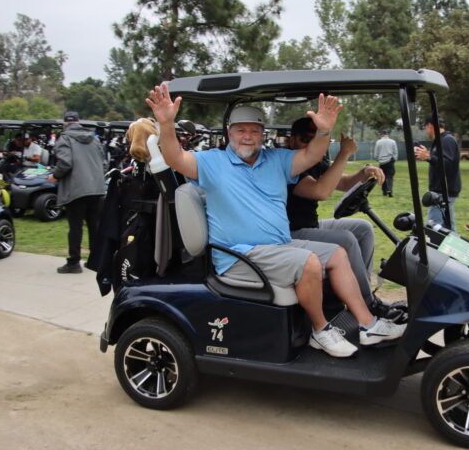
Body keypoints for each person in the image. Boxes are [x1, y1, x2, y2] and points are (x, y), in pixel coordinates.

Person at [147, 83, 405, 358]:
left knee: (338, 254)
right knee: (309, 263)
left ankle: (368, 325)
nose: (247, 137)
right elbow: (174, 157)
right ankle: (321, 329)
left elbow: (311, 155)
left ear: (262, 135)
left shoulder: (276, 160)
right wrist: (166, 123)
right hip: (240, 255)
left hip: (278, 246)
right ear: (229, 133)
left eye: (254, 131)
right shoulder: (211, 162)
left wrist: (324, 130)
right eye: (241, 130)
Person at [286, 117, 405, 321]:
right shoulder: (290, 164)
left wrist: (364, 173)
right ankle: (368, 305)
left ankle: (360, 291)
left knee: (362, 228)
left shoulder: (315, 160)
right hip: (290, 232)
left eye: (319, 140)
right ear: (291, 140)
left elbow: (341, 182)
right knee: (346, 239)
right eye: (307, 139)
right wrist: (343, 154)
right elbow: (320, 191)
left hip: (309, 225)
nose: (313, 145)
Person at [47, 111, 106, 273]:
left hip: (76, 189)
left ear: (65, 124)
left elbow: (65, 163)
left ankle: (74, 262)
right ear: (79, 122)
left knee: (75, 227)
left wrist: (54, 175)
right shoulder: (94, 139)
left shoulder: (64, 138)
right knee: (94, 226)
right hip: (97, 188)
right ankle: (95, 261)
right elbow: (104, 163)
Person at [414, 115, 461, 231]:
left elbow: (447, 164)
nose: (426, 131)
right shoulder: (440, 141)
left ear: (430, 126)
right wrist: (428, 156)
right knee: (448, 226)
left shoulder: (447, 140)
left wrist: (429, 157)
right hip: (440, 191)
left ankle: (440, 248)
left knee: (433, 226)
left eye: (426, 128)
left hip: (443, 192)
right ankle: (454, 247)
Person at [373, 129, 397, 197]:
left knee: (382, 176)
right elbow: (395, 152)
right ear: (387, 134)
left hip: (382, 162)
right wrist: (394, 159)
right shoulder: (393, 142)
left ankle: (384, 191)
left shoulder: (378, 142)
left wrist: (377, 159)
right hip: (390, 161)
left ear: (381, 134)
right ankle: (389, 190)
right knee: (390, 176)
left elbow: (376, 154)